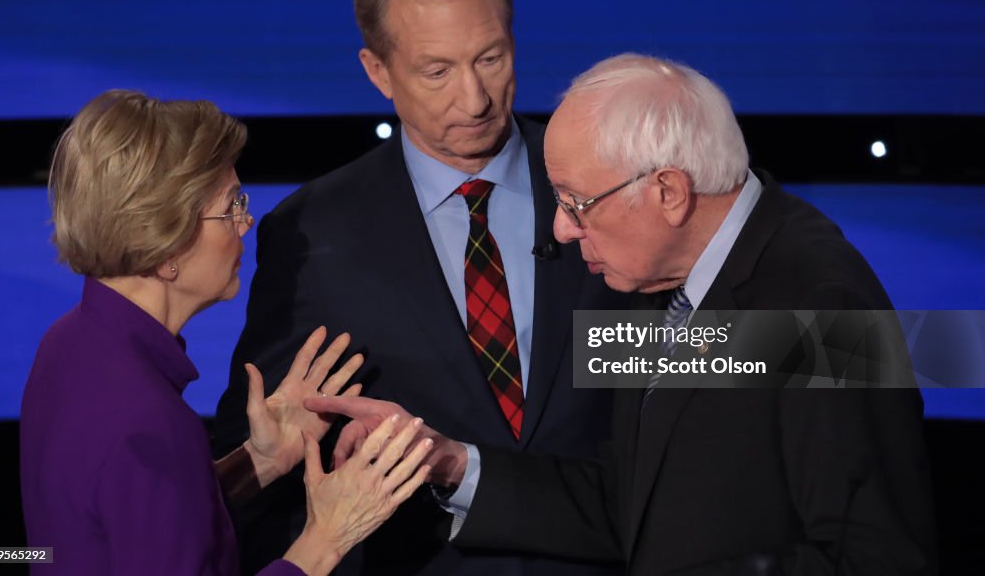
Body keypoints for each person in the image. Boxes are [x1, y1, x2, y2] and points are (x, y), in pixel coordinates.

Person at [306, 55, 938, 574]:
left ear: (668, 192)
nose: (560, 228)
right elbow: (627, 502)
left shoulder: (821, 302)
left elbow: (874, 559)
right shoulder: (654, 285)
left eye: (578, 204)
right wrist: (448, 461)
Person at [213, 0, 625, 576]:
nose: (476, 98)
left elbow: (724, 374)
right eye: (437, 71)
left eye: (491, 58)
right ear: (378, 71)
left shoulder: (613, 181)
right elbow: (264, 455)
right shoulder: (313, 233)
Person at [20, 90, 433, 576]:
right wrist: (325, 539)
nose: (247, 221)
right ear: (165, 243)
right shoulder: (147, 419)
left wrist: (259, 461)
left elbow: (136, 527)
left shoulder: (68, 343)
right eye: (231, 205)